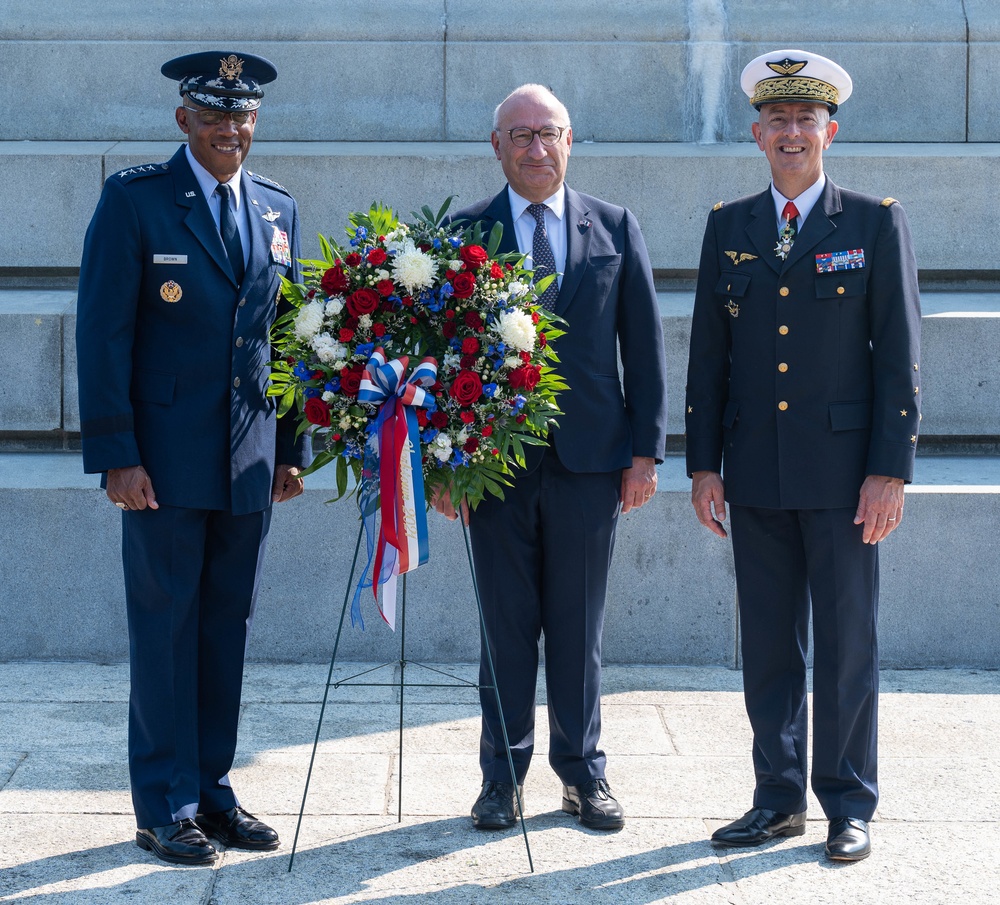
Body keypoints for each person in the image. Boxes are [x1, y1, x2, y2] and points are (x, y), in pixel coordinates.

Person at [685, 50, 921, 862]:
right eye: (778, 121)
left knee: (849, 644)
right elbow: (708, 355)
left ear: (831, 130)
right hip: (755, 473)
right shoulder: (730, 226)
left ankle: (848, 802)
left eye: (805, 120)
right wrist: (704, 463)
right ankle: (777, 797)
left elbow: (898, 355)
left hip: (847, 478)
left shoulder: (871, 221)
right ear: (756, 134)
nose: (792, 133)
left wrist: (891, 468)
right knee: (769, 647)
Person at [76, 51, 309, 866]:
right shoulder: (135, 200)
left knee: (223, 631)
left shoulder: (277, 208)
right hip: (162, 468)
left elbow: (288, 339)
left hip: (247, 463)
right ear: (184, 121)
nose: (229, 131)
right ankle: (162, 802)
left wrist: (292, 446)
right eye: (213, 116)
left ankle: (212, 788)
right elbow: (102, 334)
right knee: (165, 630)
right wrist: (116, 454)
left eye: (242, 117)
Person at [436, 84, 668, 831]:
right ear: (496, 146)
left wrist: (645, 454)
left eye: (549, 133)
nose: (536, 148)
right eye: (521, 135)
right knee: (505, 630)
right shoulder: (465, 233)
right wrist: (444, 469)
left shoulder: (616, 226)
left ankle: (583, 774)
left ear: (571, 141)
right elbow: (438, 358)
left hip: (592, 464)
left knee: (579, 630)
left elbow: (646, 347)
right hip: (492, 470)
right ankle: (501, 779)